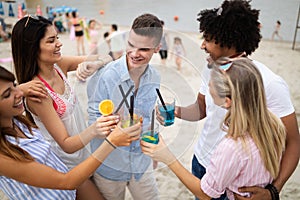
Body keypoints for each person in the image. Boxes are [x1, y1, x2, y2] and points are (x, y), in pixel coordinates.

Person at [156, 1, 300, 200]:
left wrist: (274, 191)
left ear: (228, 40)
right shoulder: (212, 68)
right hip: (202, 164)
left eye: (208, 38)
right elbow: (202, 108)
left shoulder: (270, 83)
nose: (202, 45)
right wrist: (176, 111)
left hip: (241, 182)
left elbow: (293, 143)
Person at [142, 57, 286, 200]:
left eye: (211, 83)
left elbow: (205, 194)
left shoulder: (232, 147)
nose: (207, 85)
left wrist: (168, 158)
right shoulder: (274, 126)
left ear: (226, 101)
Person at [0, 65, 141, 200]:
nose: (18, 93)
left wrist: (20, 88)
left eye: (14, 85)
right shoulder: (3, 156)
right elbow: (66, 182)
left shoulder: (14, 119)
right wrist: (112, 142)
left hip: (72, 185)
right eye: (7, 94)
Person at [11, 15, 112, 199]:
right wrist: (96, 128)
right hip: (69, 165)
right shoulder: (38, 93)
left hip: (88, 151)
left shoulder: (59, 65)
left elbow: (105, 56)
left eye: (57, 37)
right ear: (33, 48)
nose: (59, 43)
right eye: (51, 40)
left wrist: (92, 64)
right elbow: (66, 145)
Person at [87, 13, 163, 200]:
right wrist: (112, 124)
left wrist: (152, 154)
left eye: (144, 49)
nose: (135, 53)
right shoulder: (106, 76)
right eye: (131, 45)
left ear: (157, 49)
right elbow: (93, 122)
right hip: (110, 166)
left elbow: (149, 119)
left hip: (140, 163)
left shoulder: (155, 77)